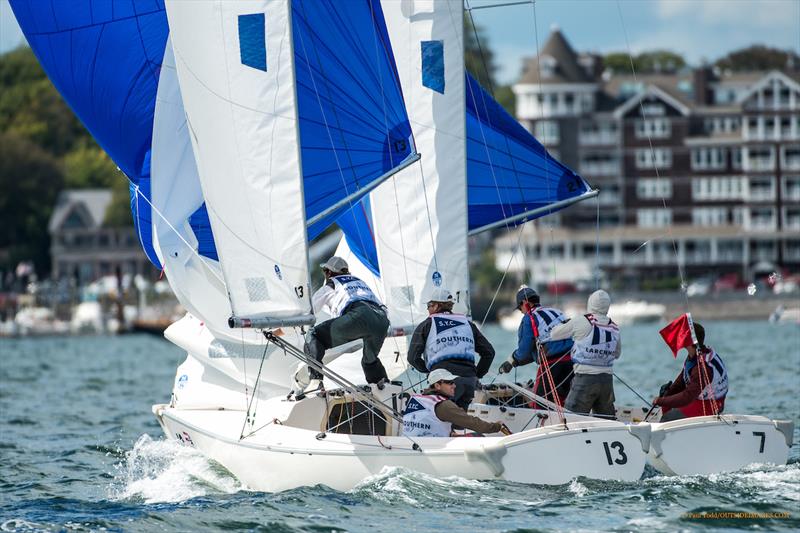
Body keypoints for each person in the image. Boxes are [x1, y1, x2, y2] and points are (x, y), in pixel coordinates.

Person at [299, 256, 390, 392]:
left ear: (329, 273)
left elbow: (309, 311)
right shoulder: (360, 282)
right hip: (381, 319)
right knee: (369, 360)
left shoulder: (331, 284)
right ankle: (383, 385)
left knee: (314, 335)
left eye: (325, 271)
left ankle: (316, 381)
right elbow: (380, 306)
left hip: (359, 315)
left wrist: (283, 327)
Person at [407, 288, 495, 409]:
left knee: (441, 420)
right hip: (469, 381)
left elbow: (412, 358)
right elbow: (489, 353)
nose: (428, 309)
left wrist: (432, 373)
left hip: (444, 382)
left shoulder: (427, 324)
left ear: (437, 306)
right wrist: (476, 375)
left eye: (429, 305)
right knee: (459, 422)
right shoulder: (468, 324)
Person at [549, 290, 621, 418]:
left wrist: (563, 324)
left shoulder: (582, 321)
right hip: (607, 381)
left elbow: (554, 334)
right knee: (606, 421)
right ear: (607, 306)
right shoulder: (615, 327)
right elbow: (617, 354)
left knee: (572, 419)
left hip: (585, 379)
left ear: (590, 303)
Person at [498, 286, 574, 405]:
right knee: (564, 402)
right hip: (572, 362)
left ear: (524, 303)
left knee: (540, 404)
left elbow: (524, 351)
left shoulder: (530, 318)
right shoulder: (557, 312)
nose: (521, 311)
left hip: (551, 365)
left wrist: (512, 359)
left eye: (519, 308)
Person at [402, 369, 511, 437]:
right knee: (478, 436)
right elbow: (472, 423)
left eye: (453, 382)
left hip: (411, 445)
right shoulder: (443, 405)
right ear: (437, 386)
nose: (454, 386)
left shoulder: (416, 398)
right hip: (431, 449)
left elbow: (429, 422)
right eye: (449, 383)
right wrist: (497, 427)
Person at [652, 323, 728, 421]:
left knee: (669, 417)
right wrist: (667, 394)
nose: (680, 336)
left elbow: (688, 396)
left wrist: (661, 400)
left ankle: (668, 428)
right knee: (667, 402)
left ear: (690, 340)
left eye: (683, 334)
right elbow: (681, 382)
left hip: (711, 405)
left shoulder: (702, 367)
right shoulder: (695, 356)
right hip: (699, 399)